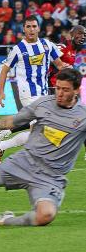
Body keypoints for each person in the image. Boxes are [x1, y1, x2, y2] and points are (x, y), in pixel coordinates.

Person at [0, 68, 86, 227]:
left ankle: (5, 220)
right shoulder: (43, 104)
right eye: (57, 88)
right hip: (23, 162)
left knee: (46, 216)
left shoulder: (83, 116)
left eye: (65, 90)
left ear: (77, 90)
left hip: (50, 178)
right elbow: (14, 121)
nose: (60, 93)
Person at [0, 15, 69, 164]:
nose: (31, 29)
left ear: (39, 28)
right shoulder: (18, 49)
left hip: (43, 94)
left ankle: (2, 145)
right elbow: (4, 70)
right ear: (24, 29)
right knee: (43, 129)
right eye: (28, 26)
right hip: (27, 94)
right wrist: (1, 92)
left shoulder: (47, 45)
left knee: (38, 133)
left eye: (34, 26)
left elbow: (60, 65)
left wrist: (70, 71)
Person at [47, 25, 86, 160]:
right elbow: (51, 56)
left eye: (84, 35)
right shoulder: (63, 46)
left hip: (66, 90)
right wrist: (62, 66)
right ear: (72, 33)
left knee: (81, 116)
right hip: (54, 89)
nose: (82, 37)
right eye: (79, 33)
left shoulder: (74, 50)